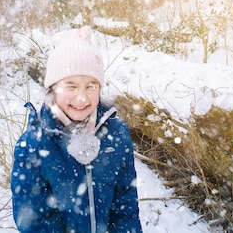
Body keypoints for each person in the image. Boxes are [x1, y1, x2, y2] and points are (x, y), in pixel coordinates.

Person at [11, 26, 143, 233]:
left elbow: (125, 206)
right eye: (71, 86)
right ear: (52, 89)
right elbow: (34, 220)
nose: (81, 97)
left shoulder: (116, 133)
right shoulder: (34, 143)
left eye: (91, 85)